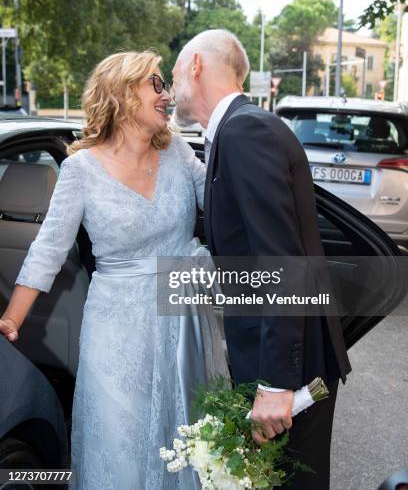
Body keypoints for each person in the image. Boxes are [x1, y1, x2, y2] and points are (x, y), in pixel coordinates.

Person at [0, 51, 228, 490]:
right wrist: (12, 318)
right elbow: (48, 249)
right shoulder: (80, 169)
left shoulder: (178, 152)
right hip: (118, 335)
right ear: (123, 95)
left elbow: (224, 204)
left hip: (184, 327)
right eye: (155, 85)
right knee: (122, 446)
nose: (167, 95)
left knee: (188, 440)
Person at [172, 29, 351, 490]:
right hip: (279, 359)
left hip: (289, 373)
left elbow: (281, 260)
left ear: (195, 65)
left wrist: (274, 383)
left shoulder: (244, 131)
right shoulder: (234, 131)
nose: (171, 85)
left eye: (173, 71)